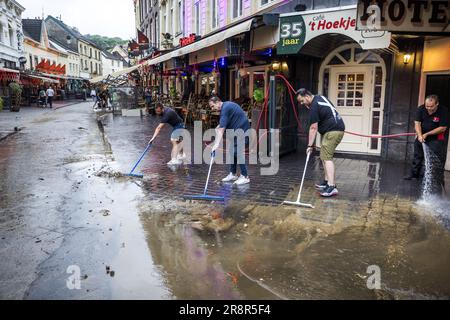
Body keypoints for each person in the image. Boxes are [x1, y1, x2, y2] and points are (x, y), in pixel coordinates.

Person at [297, 88, 346, 197]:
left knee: (327, 157)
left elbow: (313, 128)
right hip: (332, 129)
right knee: (324, 156)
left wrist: (309, 145)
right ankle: (326, 182)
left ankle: (332, 187)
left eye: (302, 101)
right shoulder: (320, 97)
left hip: (333, 131)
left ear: (307, 96)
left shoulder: (314, 106)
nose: (301, 104)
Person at [404, 95, 448, 186]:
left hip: (435, 138)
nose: (428, 108)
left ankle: (435, 178)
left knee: (434, 158)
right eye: (427, 106)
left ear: (437, 104)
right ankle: (414, 175)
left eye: (431, 106)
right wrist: (420, 135)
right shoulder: (421, 109)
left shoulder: (443, 111)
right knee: (417, 156)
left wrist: (427, 134)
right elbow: (417, 123)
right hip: (421, 136)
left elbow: (442, 128)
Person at [209, 96, 250, 186]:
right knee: (232, 151)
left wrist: (216, 144)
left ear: (218, 102)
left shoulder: (225, 109)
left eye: (212, 106)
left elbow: (222, 129)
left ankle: (245, 176)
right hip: (236, 132)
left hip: (242, 131)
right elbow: (224, 123)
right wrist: (219, 126)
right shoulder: (226, 107)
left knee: (237, 152)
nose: (212, 109)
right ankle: (233, 174)